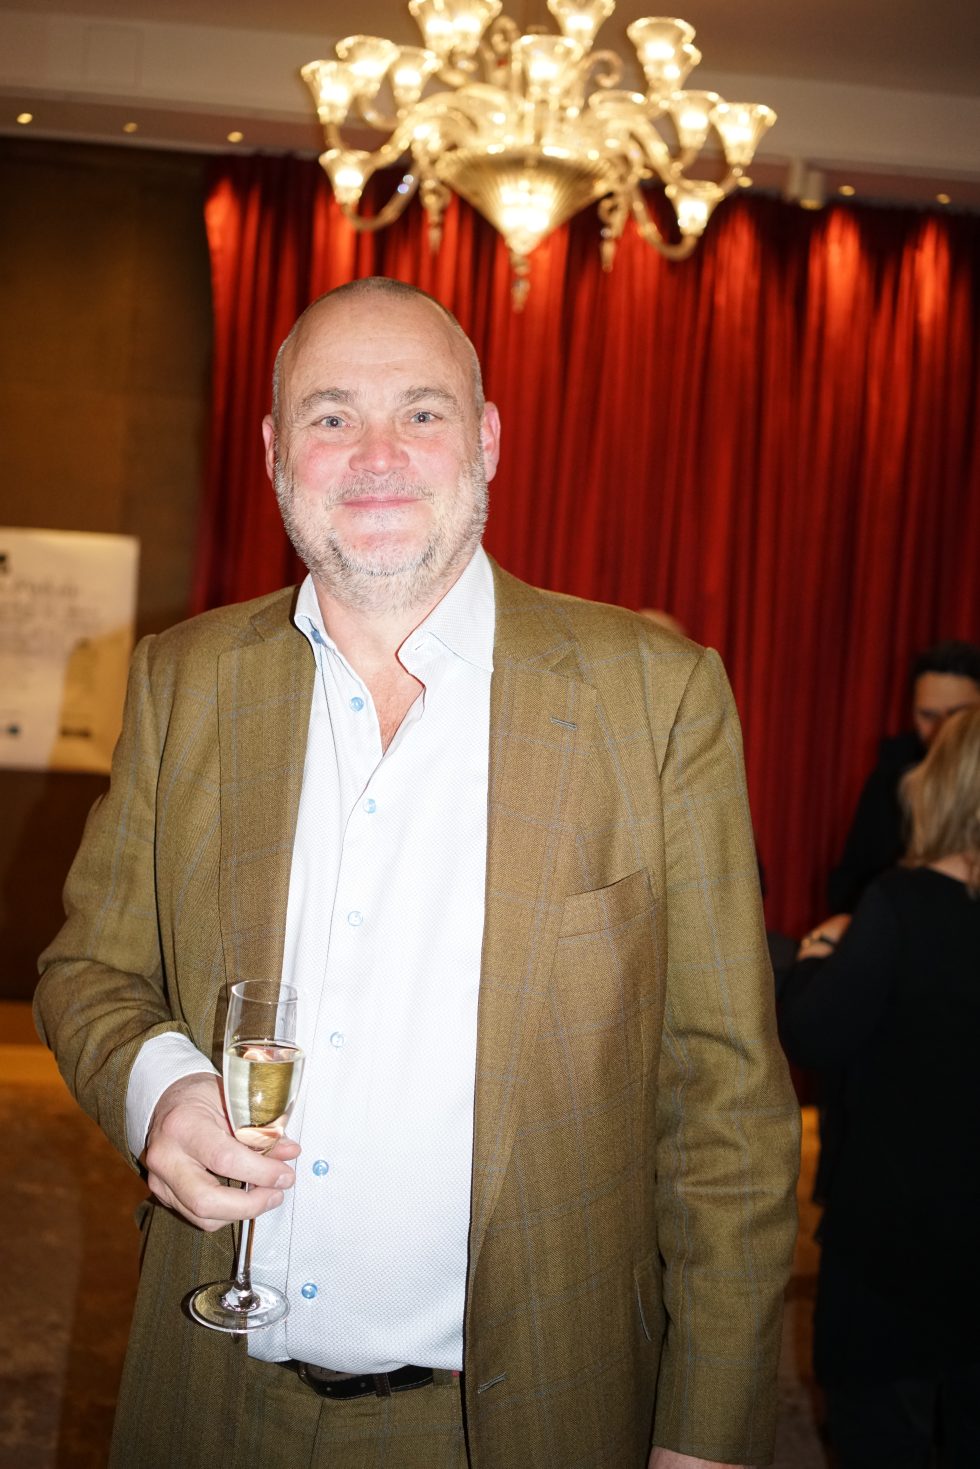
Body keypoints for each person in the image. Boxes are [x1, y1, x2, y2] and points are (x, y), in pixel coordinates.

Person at [35, 278, 800, 1469]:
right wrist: (161, 1085)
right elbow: (88, 967)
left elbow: (725, 1106)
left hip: (518, 1419)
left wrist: (707, 1437)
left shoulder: (652, 697)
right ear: (274, 448)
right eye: (332, 414)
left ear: (486, 439)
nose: (377, 454)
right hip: (212, 1400)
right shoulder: (184, 681)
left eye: (422, 412)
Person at [779, 706, 980, 1468]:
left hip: (895, 1240)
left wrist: (818, 953)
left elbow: (813, 1033)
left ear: (944, 786)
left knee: (881, 1435)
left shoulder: (901, 903)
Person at [827, 640, 980, 913]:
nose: (942, 731)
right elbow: (849, 884)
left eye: (958, 716)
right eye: (928, 715)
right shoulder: (891, 774)